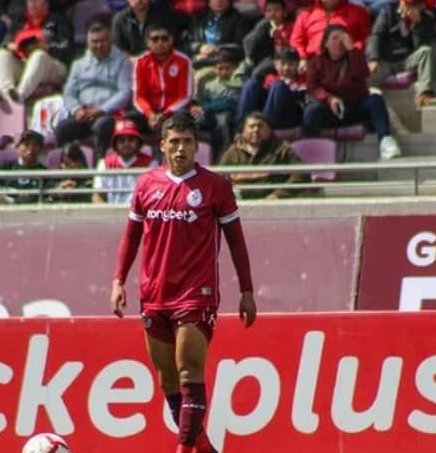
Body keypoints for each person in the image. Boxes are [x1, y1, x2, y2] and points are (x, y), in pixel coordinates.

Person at [111, 112, 257, 453]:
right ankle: (203, 446)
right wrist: (119, 281)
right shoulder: (147, 185)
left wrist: (247, 291)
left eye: (187, 142)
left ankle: (183, 449)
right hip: (154, 294)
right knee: (168, 380)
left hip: (196, 295)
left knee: (190, 372)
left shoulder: (216, 187)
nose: (180, 149)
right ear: (162, 145)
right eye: (174, 142)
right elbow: (131, 238)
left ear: (197, 147)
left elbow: (236, 241)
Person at [303, 24, 401, 160]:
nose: (338, 42)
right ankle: (313, 152)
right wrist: (329, 98)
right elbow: (312, 87)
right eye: (334, 38)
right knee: (311, 111)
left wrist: (352, 50)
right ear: (325, 43)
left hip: (354, 106)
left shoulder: (355, 57)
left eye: (342, 38)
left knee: (375, 100)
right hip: (330, 109)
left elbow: (362, 74)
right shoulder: (316, 62)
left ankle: (386, 140)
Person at [55, 23, 133, 160]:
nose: (99, 45)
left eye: (103, 41)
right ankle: (69, 171)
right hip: (83, 114)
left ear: (110, 40)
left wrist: (102, 110)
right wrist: (76, 109)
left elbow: (125, 92)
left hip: (108, 114)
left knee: (103, 126)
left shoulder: (123, 61)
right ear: (88, 43)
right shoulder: (78, 64)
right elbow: (69, 93)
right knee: (63, 129)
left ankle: (99, 171)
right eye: (94, 42)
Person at [0, 0, 73, 105]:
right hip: (25, 63)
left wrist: (47, 47)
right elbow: (5, 43)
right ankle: (4, 93)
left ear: (47, 3)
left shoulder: (59, 20)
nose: (33, 4)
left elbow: (68, 48)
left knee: (38, 55)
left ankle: (19, 96)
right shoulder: (19, 22)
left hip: (52, 65)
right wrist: (11, 46)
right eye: (30, 0)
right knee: (1, 54)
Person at [367, 0, 436, 109]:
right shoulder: (388, 12)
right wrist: (373, 58)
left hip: (406, 60)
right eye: (404, 2)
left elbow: (420, 47)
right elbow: (376, 35)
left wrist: (417, 26)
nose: (405, 6)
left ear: (421, 6)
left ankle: (425, 94)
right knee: (366, 76)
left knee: (425, 51)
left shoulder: (427, 19)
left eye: (410, 4)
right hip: (386, 60)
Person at [290, 0, 371, 73]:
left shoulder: (358, 12)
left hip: (345, 61)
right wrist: (303, 58)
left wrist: (353, 49)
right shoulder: (306, 15)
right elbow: (296, 41)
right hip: (313, 61)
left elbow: (367, 39)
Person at [220, 111, 307, 199]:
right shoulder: (233, 152)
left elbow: (301, 175)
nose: (256, 130)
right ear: (243, 130)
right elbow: (219, 177)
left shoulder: (282, 149)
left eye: (260, 126)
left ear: (269, 130)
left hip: (273, 202)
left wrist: (279, 194)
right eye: (251, 126)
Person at [132, 23, 194, 133]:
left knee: (183, 117)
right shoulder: (141, 62)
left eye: (164, 38)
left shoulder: (183, 61)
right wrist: (150, 114)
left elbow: (185, 96)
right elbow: (139, 96)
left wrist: (165, 114)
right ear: (148, 42)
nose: (160, 42)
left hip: (173, 111)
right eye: (155, 39)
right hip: (150, 112)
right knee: (129, 120)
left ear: (171, 40)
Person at [237, 46, 307, 130]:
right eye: (283, 63)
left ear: (297, 65)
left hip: (288, 116)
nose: (286, 68)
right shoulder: (269, 78)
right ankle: (243, 126)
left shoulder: (303, 81)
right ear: (275, 64)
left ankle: (266, 128)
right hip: (264, 112)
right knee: (251, 84)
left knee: (279, 86)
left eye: (291, 64)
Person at [111, 0, 180, 57]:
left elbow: (172, 43)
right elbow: (118, 50)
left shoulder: (164, 15)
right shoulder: (119, 19)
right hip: (131, 64)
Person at [93, 119, 157, 204]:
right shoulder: (105, 163)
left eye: (131, 139)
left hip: (140, 214)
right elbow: (97, 196)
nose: (126, 143)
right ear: (115, 144)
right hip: (112, 213)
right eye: (122, 140)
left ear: (138, 142)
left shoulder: (150, 163)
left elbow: (155, 196)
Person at [241, 0, 292, 78]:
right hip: (266, 57)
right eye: (269, 11)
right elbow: (248, 41)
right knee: (244, 69)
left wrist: (280, 37)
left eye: (276, 10)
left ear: (285, 12)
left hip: (285, 59)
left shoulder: (290, 27)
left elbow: (293, 47)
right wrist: (249, 58)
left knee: (257, 73)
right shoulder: (264, 26)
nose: (272, 13)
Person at [0, 129, 48, 204]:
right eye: (26, 144)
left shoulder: (45, 173)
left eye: (35, 145)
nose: (30, 149)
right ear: (18, 147)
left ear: (40, 149)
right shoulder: (6, 168)